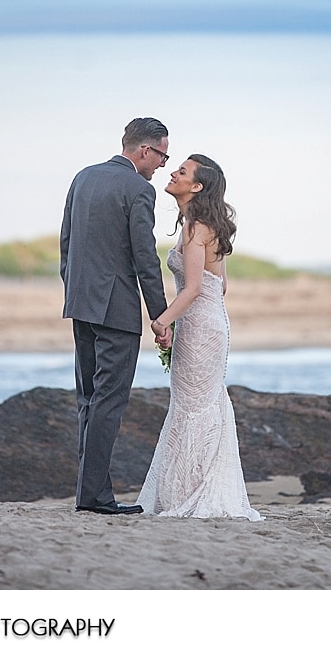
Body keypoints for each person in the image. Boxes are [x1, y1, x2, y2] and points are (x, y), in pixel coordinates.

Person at [136, 154, 263, 520]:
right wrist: (180, 324)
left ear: (196, 187)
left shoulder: (196, 228)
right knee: (197, 407)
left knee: (193, 409)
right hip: (207, 325)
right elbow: (219, 286)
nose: (173, 172)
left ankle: (189, 494)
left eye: (182, 171)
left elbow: (193, 289)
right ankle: (191, 490)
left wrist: (163, 323)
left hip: (200, 327)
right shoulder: (205, 224)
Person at [60, 117, 173, 516]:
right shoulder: (138, 190)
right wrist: (161, 318)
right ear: (145, 150)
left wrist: (73, 288)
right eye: (162, 154)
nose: (163, 164)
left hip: (80, 303)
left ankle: (90, 493)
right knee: (109, 401)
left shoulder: (83, 177)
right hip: (117, 309)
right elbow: (145, 258)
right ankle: (94, 497)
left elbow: (66, 244)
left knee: (89, 399)